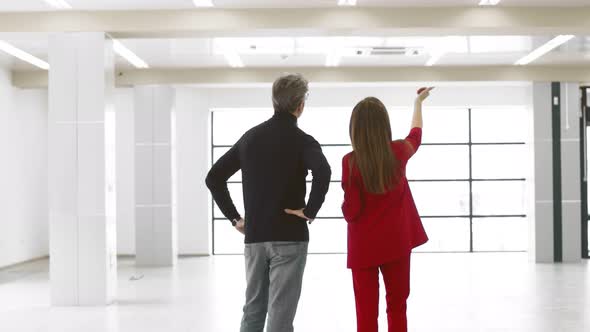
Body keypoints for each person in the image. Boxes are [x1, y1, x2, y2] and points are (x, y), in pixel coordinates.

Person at [205, 73, 331, 332]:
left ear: (274, 102)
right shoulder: (303, 141)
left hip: (255, 237)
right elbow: (324, 171)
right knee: (280, 316)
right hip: (290, 237)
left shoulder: (250, 138)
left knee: (253, 311)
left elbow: (214, 177)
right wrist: (309, 211)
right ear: (300, 106)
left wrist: (235, 219)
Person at [341, 88, 433, 332]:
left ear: (355, 130)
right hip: (396, 244)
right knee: (397, 305)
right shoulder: (399, 152)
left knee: (365, 312)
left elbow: (351, 212)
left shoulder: (350, 162)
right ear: (384, 126)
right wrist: (418, 103)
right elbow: (416, 135)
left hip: (363, 249)